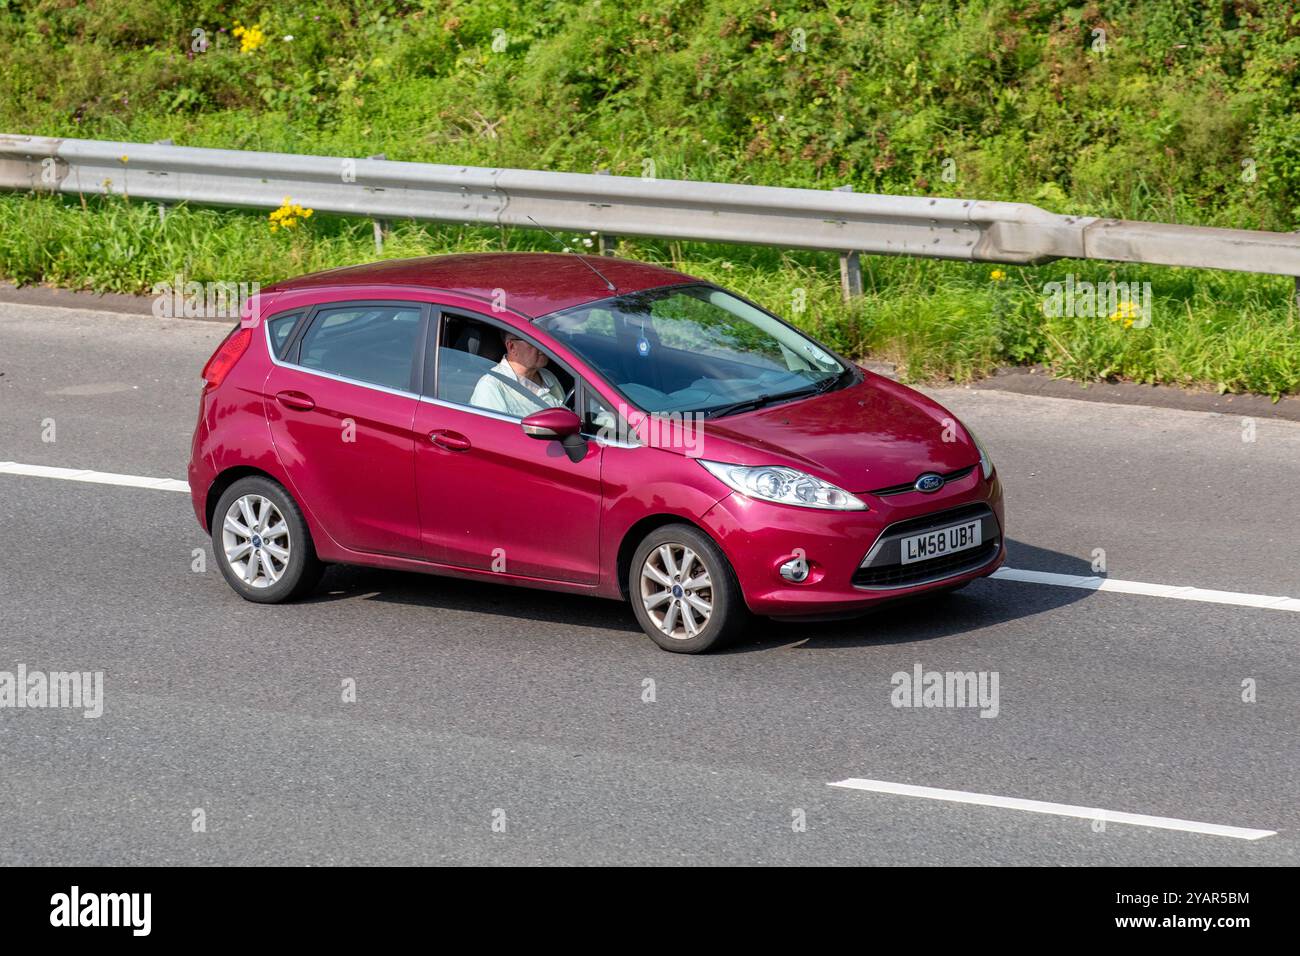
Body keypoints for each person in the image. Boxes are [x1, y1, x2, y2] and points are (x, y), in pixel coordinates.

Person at [470, 331, 566, 417]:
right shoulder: (491, 386)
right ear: (512, 347)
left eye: (544, 340)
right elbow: (493, 433)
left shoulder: (548, 376)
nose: (543, 346)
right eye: (534, 341)